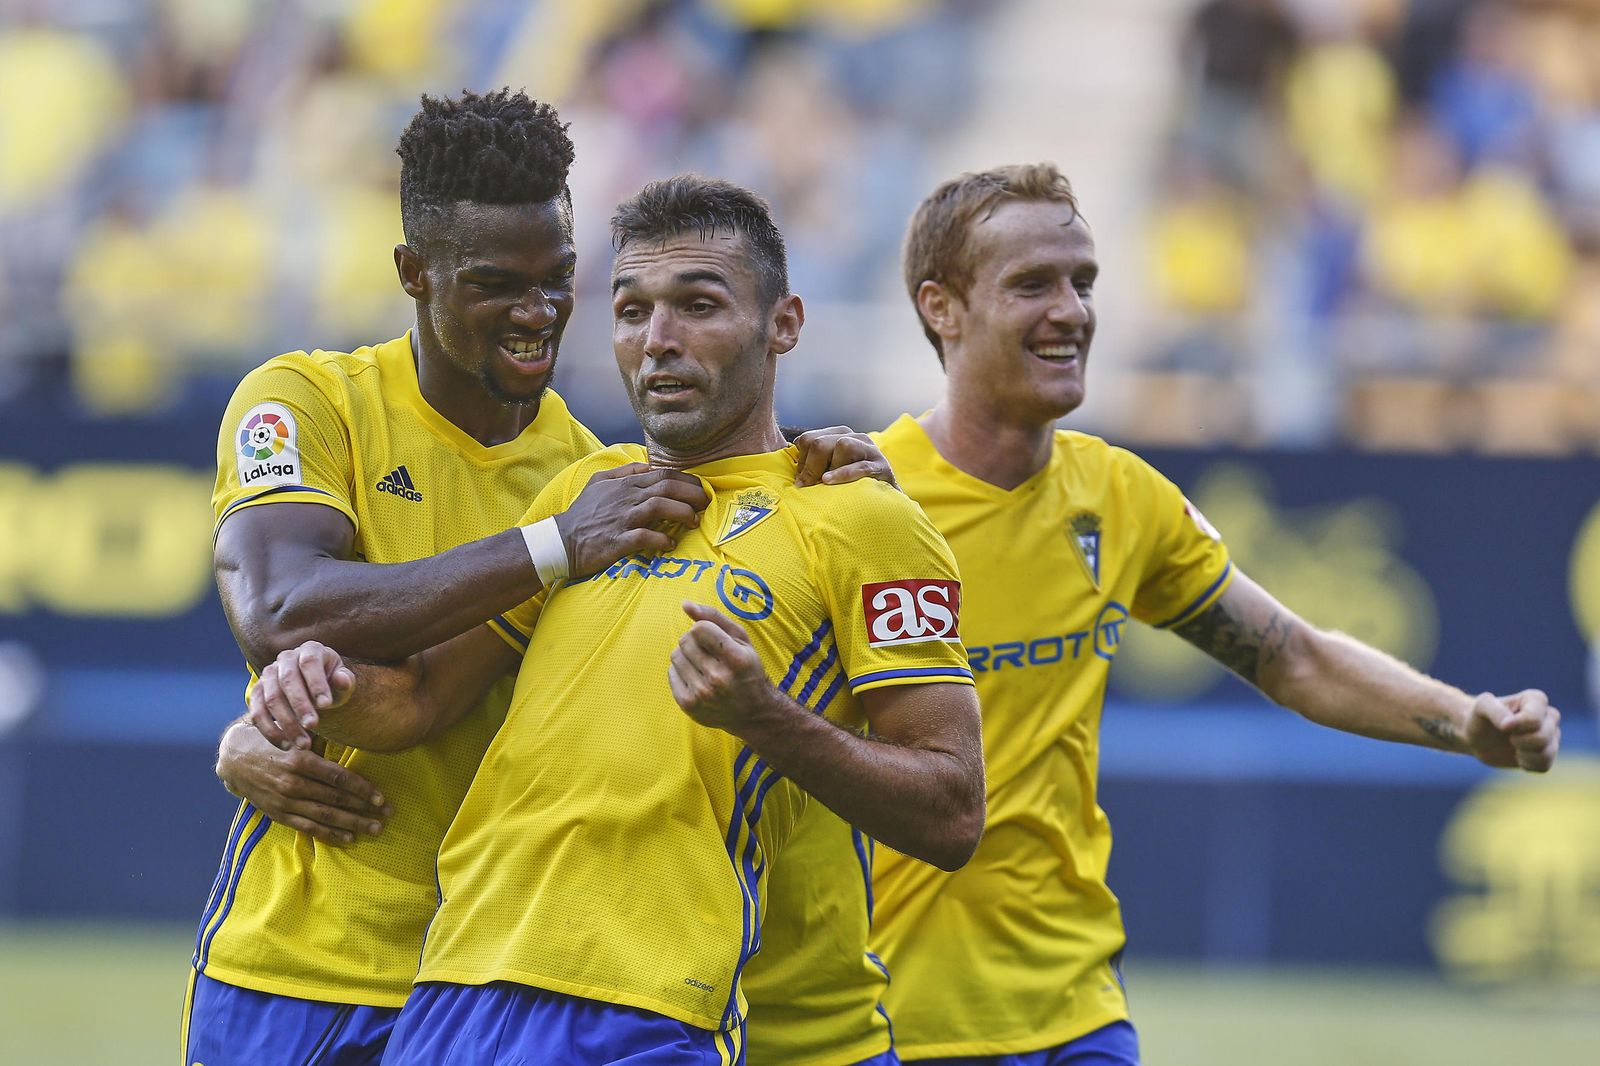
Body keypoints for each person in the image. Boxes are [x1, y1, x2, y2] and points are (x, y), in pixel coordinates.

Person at [185, 91, 880, 1066]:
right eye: (494, 284)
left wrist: (842, 470)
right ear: (412, 274)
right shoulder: (311, 400)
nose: (536, 311)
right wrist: (548, 546)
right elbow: (278, 609)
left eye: (558, 278)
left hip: (478, 980)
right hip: (300, 961)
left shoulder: (600, 475)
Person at [862, 162, 1563, 1066]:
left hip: (1079, 1015)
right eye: (1032, 283)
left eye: (1084, 281)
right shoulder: (864, 505)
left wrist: (1465, 722)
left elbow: (1295, 659)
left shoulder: (1120, 496)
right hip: (896, 1022)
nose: (1072, 311)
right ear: (941, 308)